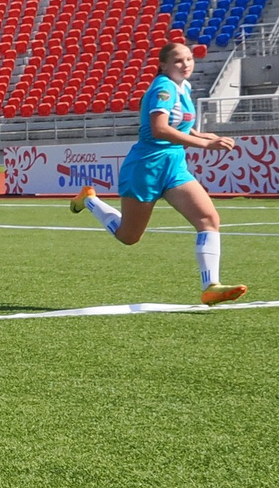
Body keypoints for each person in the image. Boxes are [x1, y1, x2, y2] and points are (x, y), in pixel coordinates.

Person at [73, 40, 248, 304]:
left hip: (174, 166)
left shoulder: (184, 86)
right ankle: (89, 199)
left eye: (189, 58)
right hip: (147, 167)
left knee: (208, 219)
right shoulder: (164, 87)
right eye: (178, 60)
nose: (185, 64)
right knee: (129, 237)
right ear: (164, 65)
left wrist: (201, 134)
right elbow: (160, 129)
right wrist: (205, 144)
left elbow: (180, 125)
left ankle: (210, 286)